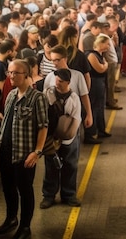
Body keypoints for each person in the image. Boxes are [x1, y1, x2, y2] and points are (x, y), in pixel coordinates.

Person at [0, 59, 47, 239]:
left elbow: (43, 126)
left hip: (23, 152)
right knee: (8, 188)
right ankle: (11, 219)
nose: (11, 76)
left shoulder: (37, 98)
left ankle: (25, 226)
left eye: (15, 73)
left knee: (25, 189)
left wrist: (37, 151)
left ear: (26, 75)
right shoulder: (11, 95)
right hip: (5, 150)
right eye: (9, 72)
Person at [41, 68, 83, 209]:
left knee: (70, 165)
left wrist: (67, 138)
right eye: (56, 80)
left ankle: (69, 195)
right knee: (50, 166)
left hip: (69, 138)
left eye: (60, 81)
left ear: (68, 82)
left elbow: (76, 120)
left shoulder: (74, 98)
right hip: (51, 137)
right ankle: (49, 196)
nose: (57, 83)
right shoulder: (48, 94)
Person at [85, 35, 110, 141]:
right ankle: (91, 133)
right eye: (107, 43)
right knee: (94, 107)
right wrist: (105, 65)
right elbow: (100, 69)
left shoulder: (100, 55)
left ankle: (101, 130)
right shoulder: (91, 55)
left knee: (100, 107)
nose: (108, 46)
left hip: (100, 83)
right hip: (94, 83)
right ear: (101, 43)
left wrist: (105, 65)